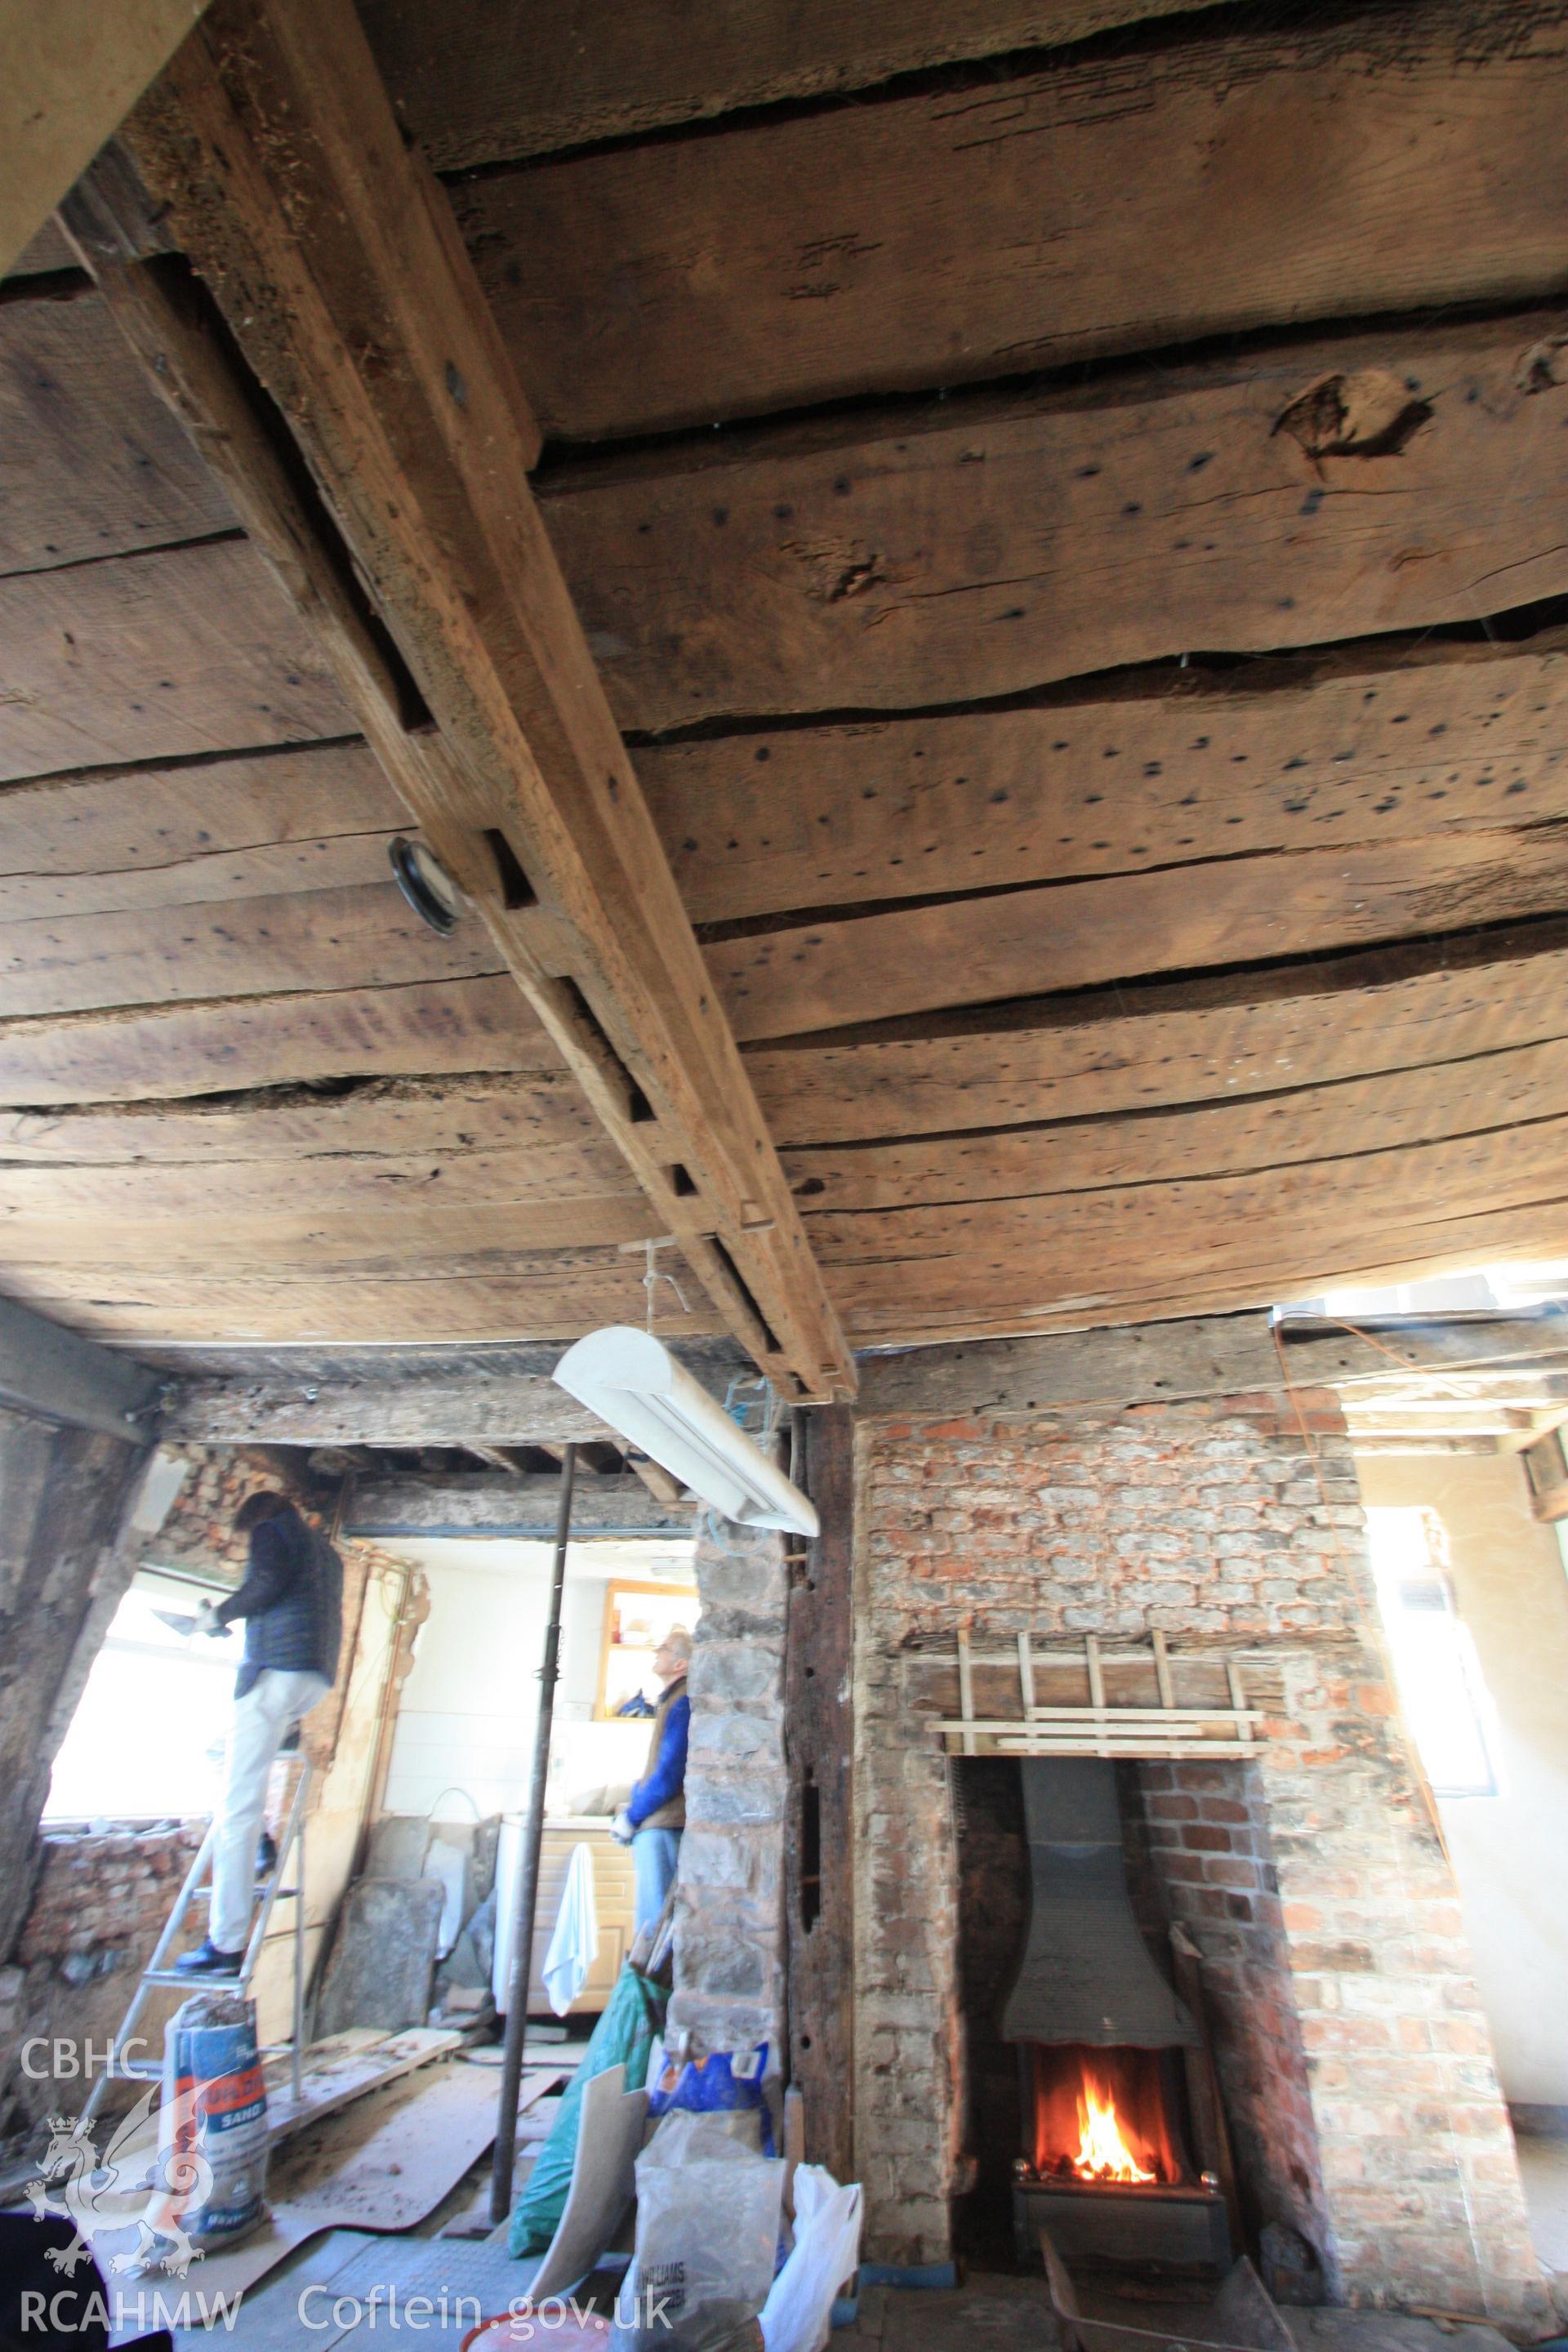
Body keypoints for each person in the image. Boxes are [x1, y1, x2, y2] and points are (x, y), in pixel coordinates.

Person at [175, 1490, 344, 1977]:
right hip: (312, 1677)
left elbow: (266, 1582)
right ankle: (266, 1844)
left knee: (237, 1807)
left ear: (256, 1519)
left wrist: (217, 1616)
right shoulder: (324, 1552)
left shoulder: (275, 1532)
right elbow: (291, 1598)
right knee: (218, 1752)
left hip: (275, 1672)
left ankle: (225, 1945)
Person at [612, 1627, 691, 1936]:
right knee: (654, 1922)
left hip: (662, 1827)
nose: (657, 1652)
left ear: (680, 1664)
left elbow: (670, 1772)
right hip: (658, 1824)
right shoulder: (672, 1700)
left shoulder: (682, 1702)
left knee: (655, 1928)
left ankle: (649, 1986)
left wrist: (632, 1816)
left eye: (664, 1648)